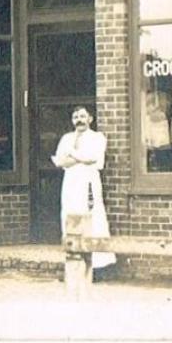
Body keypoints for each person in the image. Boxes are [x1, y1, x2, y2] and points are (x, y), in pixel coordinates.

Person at [52, 106, 117, 274]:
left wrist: (73, 154)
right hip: (71, 182)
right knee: (69, 217)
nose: (79, 120)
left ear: (90, 119)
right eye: (75, 117)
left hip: (88, 181)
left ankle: (97, 267)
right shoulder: (66, 138)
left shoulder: (97, 137)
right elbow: (60, 161)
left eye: (82, 116)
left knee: (92, 217)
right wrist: (79, 157)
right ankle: (74, 266)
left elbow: (93, 158)